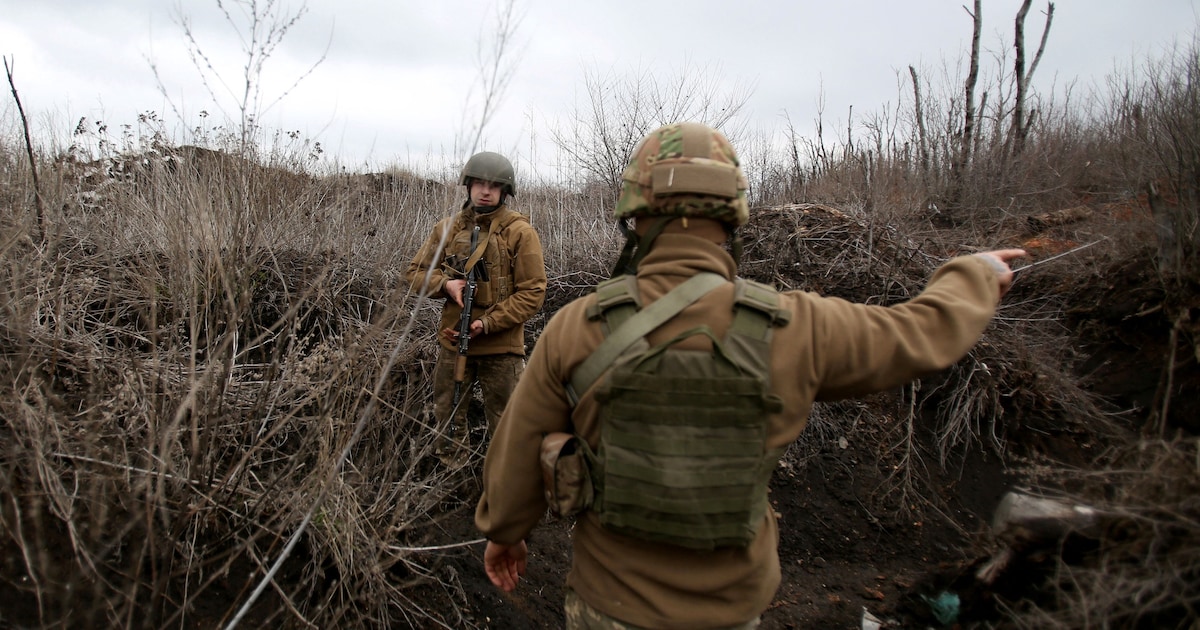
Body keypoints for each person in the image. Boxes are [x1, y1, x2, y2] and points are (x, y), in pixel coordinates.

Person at [474, 122, 1026, 629]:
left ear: (635, 215)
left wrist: (505, 535)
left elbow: (518, 449)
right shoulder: (798, 326)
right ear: (733, 215)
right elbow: (922, 332)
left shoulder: (577, 327)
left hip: (609, 604)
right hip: (732, 611)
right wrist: (973, 276)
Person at [406, 151, 547, 467]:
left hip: (501, 347)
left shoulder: (519, 232)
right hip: (453, 341)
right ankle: (450, 477)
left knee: (508, 420)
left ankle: (505, 486)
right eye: (480, 183)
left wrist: (487, 323)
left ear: (504, 191)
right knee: (448, 413)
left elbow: (533, 292)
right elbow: (415, 273)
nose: (486, 191)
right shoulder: (447, 229)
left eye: (494, 186)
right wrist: (446, 284)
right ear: (468, 186)